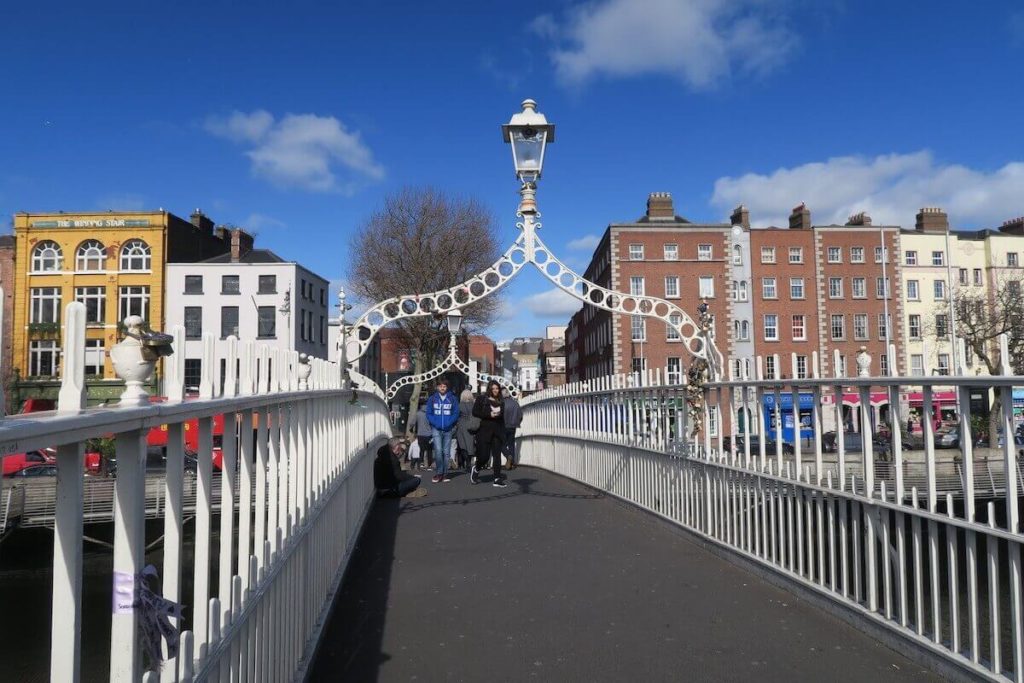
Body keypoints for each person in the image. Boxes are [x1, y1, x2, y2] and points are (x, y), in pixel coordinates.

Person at [472, 380, 507, 487]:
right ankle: (477, 468)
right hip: (484, 431)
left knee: (497, 456)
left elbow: (502, 418)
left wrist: (503, 433)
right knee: (484, 457)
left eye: (497, 388)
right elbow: (475, 412)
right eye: (493, 389)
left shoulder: (501, 402)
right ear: (489, 389)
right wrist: (489, 414)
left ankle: (497, 478)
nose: (495, 390)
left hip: (497, 432)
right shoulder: (482, 399)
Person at [426, 379, 460, 483]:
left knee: (446, 452)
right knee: (438, 451)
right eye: (440, 386)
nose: (442, 388)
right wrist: (435, 423)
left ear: (447, 387)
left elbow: (456, 413)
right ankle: (439, 473)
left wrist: (449, 422)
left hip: (448, 429)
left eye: (444, 386)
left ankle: (445, 474)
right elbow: (429, 413)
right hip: (436, 428)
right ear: (437, 387)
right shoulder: (432, 399)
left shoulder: (452, 399)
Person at [456, 388, 479, 472]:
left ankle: (468, 463)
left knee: (463, 446)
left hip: (461, 425)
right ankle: (470, 461)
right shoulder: (474, 405)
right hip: (472, 425)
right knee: (470, 445)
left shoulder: (459, 405)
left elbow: (456, 416)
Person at [502, 388, 523, 469]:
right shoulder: (515, 403)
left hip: (504, 426)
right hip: (513, 426)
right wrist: (517, 422)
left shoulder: (502, 403)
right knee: (511, 444)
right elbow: (520, 415)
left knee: (502, 444)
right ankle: (512, 463)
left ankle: (508, 456)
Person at [414, 403, 434, 469]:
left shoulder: (418, 414)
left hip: (420, 435)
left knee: (422, 450)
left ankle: (421, 463)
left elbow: (412, 423)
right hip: (429, 435)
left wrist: (412, 429)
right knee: (429, 450)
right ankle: (430, 464)